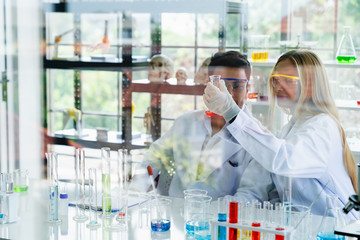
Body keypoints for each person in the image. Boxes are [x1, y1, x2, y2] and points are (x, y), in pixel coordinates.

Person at [204, 49, 358, 219]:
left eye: (288, 80)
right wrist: (209, 209)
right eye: (275, 80)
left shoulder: (323, 126)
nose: (277, 86)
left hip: (336, 231)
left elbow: (286, 159)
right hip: (305, 229)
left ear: (310, 85)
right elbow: (256, 189)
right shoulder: (287, 131)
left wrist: (231, 111)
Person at [130, 51, 272, 199]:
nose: (228, 94)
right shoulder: (186, 122)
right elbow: (153, 157)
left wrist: (206, 213)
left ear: (247, 89)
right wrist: (134, 193)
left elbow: (250, 195)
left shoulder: (257, 137)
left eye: (237, 86)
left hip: (220, 219)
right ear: (208, 85)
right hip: (176, 217)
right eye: (220, 85)